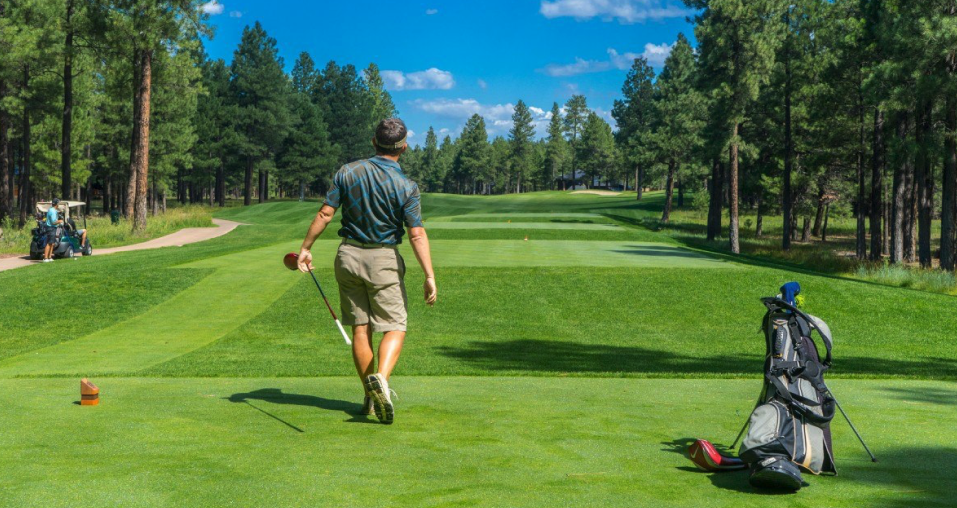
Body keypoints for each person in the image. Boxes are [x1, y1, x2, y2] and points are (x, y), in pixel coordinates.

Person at [297, 118, 436, 425]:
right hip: (383, 258)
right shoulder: (407, 186)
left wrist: (306, 247)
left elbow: (325, 213)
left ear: (374, 142)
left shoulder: (347, 171)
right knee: (395, 326)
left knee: (361, 328)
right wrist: (429, 275)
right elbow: (415, 234)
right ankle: (382, 382)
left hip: (347, 256)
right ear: (405, 147)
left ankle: (369, 398)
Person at [42, 198, 64, 263]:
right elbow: (53, 222)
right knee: (49, 243)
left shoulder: (53, 210)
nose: (59, 204)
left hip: (53, 228)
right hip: (50, 228)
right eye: (58, 203)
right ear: (56, 204)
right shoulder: (52, 211)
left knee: (52, 243)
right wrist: (60, 221)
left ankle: (49, 257)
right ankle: (45, 258)